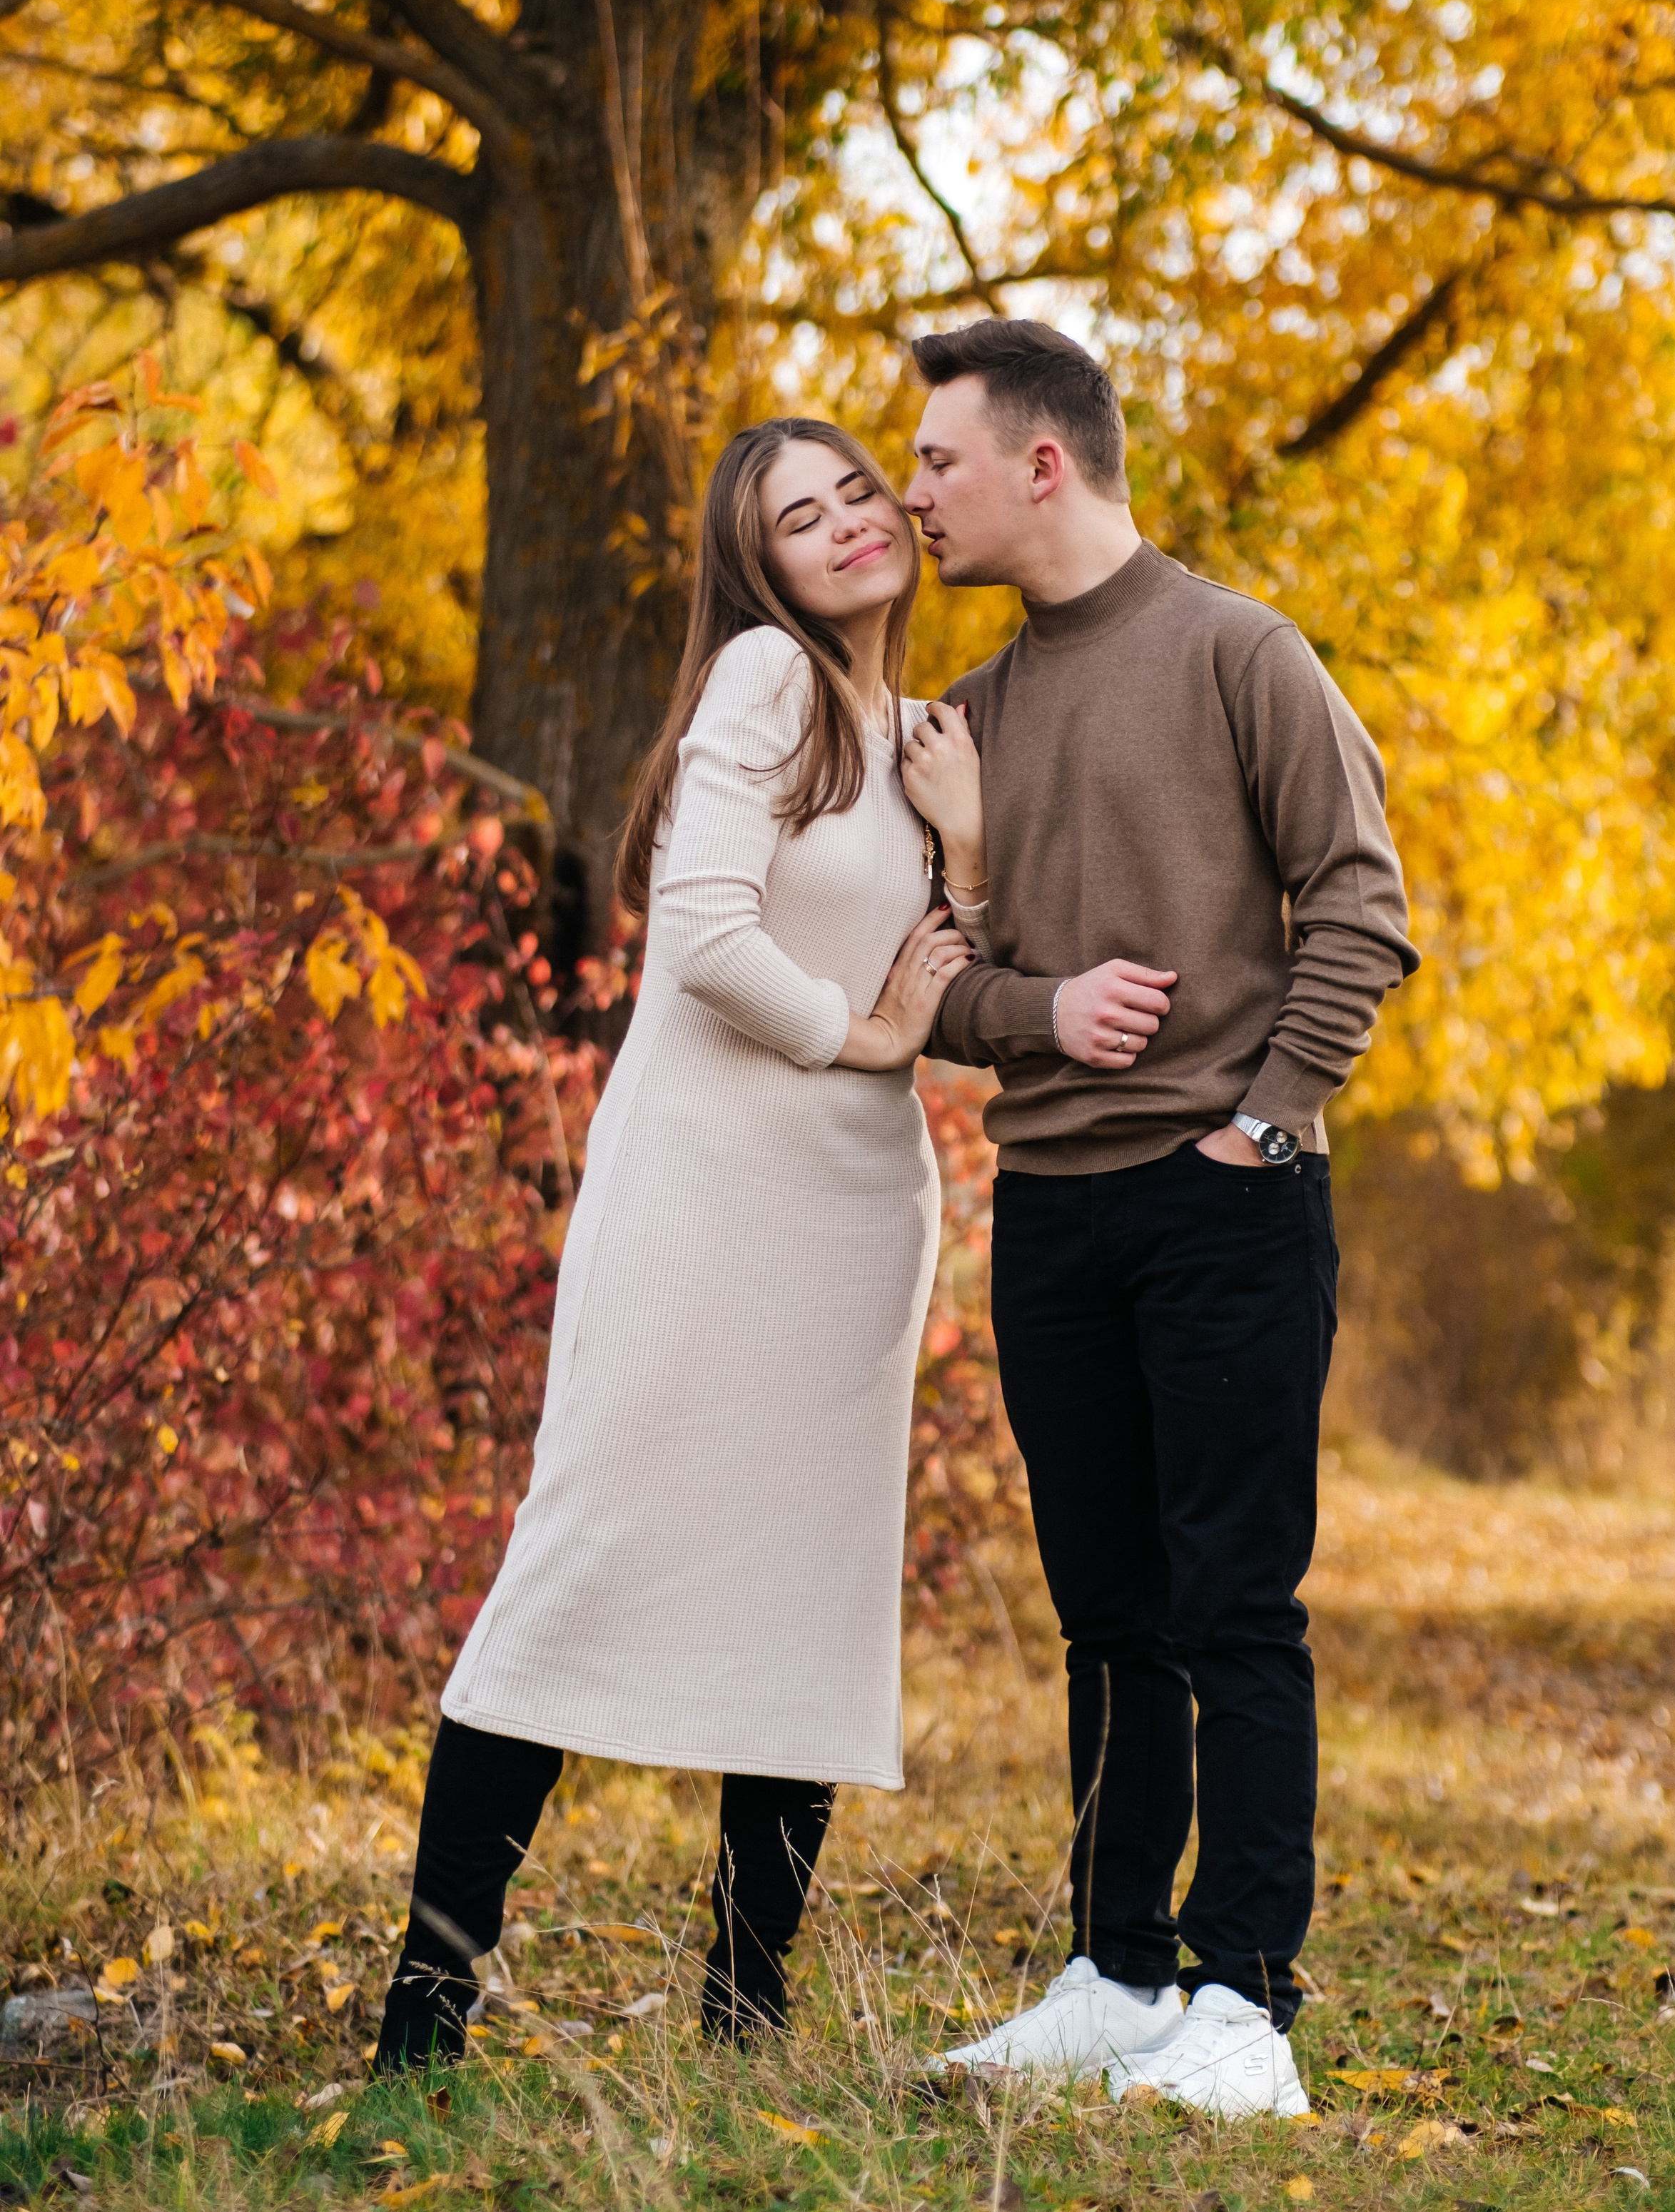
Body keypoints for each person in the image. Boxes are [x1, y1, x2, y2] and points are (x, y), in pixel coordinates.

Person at [376, 418, 983, 2066]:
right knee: (573, 1569)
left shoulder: (906, 728)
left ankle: (744, 2015)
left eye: (859, 487)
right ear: (758, 565)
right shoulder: (767, 685)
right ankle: (421, 2019)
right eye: (803, 516)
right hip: (708, 1198)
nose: (851, 522)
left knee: (808, 1601)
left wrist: (969, 843)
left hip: (855, 1217)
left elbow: (950, 978)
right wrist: (858, 1042)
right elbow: (701, 930)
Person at [896, 320, 1417, 2119]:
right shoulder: (963, 718)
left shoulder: (1237, 652)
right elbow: (925, 987)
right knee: (1105, 1612)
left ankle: (1244, 2004)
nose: (914, 493)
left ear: (1044, 462)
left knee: (1232, 1607)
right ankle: (1117, 1970)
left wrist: (1263, 1131)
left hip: (1223, 1206)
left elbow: (1362, 908)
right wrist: (1034, 1014)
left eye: (938, 459)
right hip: (1048, 1212)